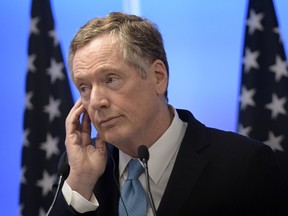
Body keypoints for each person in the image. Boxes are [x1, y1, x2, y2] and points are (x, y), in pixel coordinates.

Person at [50, 12, 287, 216]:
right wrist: (80, 183)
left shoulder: (242, 165)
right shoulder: (77, 169)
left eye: (111, 79)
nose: (97, 101)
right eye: (84, 88)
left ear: (158, 77)